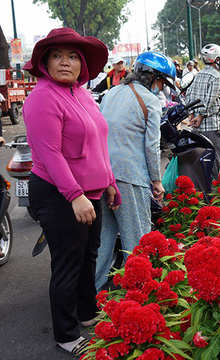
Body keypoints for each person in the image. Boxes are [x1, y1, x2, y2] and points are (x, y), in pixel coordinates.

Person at [23, 27, 121, 357]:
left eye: (73, 56)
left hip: (89, 192)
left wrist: (109, 181)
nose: (66, 62)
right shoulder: (42, 98)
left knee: (88, 256)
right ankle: (66, 334)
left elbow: (99, 142)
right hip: (58, 192)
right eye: (57, 55)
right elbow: (50, 153)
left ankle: (86, 312)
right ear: (45, 62)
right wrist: (74, 194)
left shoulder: (82, 94)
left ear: (83, 65)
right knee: (68, 262)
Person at [95, 51, 173, 291]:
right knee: (136, 241)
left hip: (103, 175)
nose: (161, 88)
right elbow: (151, 146)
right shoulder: (150, 101)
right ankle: (137, 296)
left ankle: (90, 295)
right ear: (152, 77)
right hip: (130, 178)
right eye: (161, 82)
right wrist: (156, 181)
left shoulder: (112, 93)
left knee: (103, 241)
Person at [186, 44, 220, 178]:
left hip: (197, 128)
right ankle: (213, 194)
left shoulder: (198, 74)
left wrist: (192, 115)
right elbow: (210, 100)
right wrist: (201, 116)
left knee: (201, 163)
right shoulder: (216, 76)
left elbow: (189, 96)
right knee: (213, 164)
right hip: (211, 126)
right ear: (216, 59)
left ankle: (203, 195)